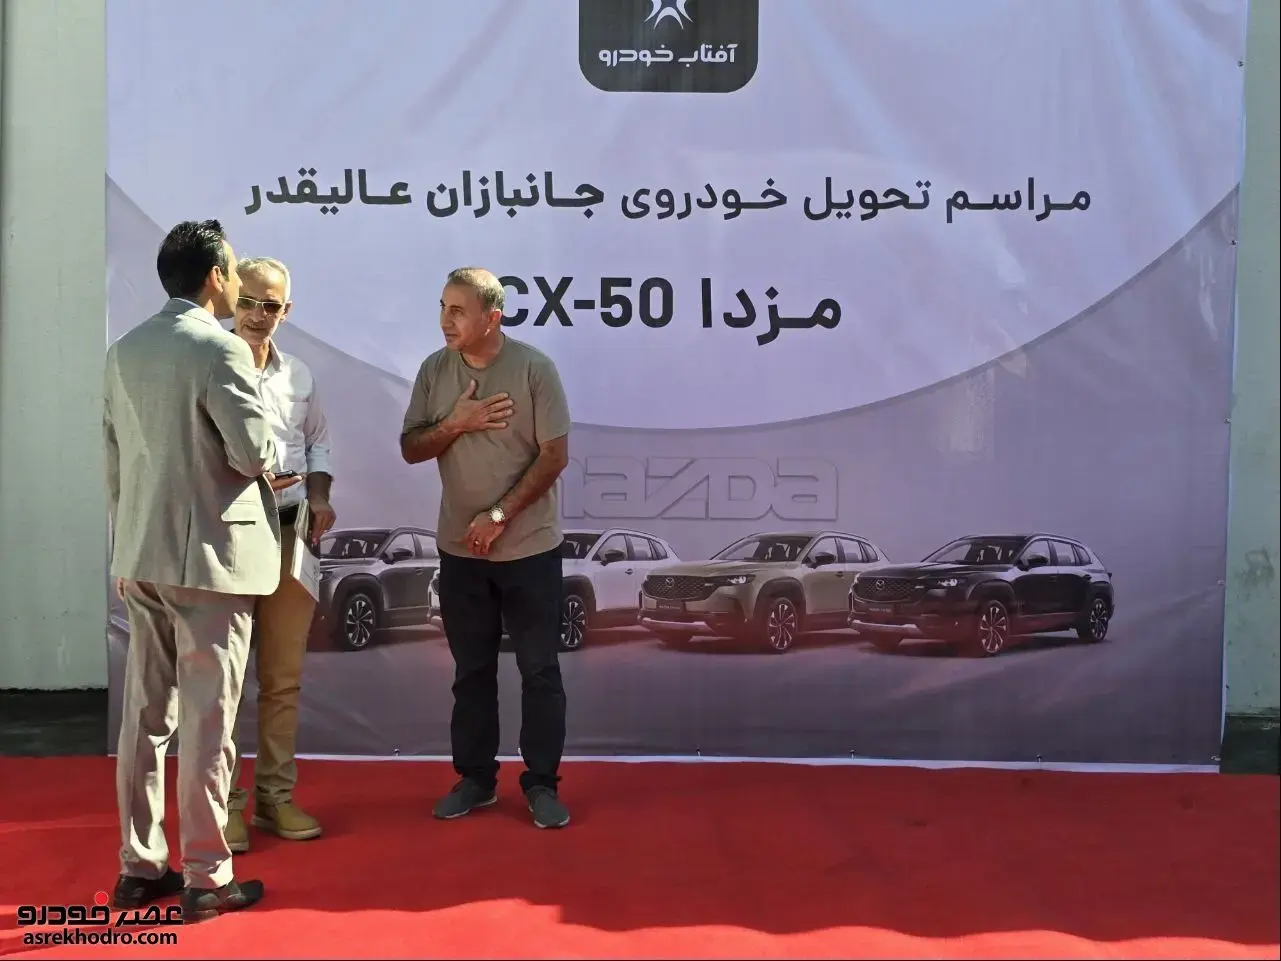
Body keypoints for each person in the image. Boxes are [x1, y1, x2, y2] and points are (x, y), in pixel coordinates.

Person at [104, 220, 298, 923]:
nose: (240, 283)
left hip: (141, 554)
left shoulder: (124, 349)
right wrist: (272, 451)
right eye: (235, 271)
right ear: (216, 276)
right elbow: (253, 453)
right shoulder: (220, 349)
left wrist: (123, 545)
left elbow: (114, 457)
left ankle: (138, 866)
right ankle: (207, 876)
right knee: (209, 722)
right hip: (209, 562)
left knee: (144, 718)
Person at [400, 267, 572, 829]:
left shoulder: (534, 370)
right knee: (471, 671)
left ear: (492, 318)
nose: (445, 321)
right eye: (442, 307)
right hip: (461, 552)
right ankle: (476, 779)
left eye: (458, 311)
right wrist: (456, 423)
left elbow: (554, 455)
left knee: (539, 671)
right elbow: (411, 447)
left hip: (530, 550)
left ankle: (542, 783)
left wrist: (499, 515)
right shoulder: (435, 369)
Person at [224, 256, 336, 853]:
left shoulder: (299, 374)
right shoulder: (208, 364)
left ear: (285, 311)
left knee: (282, 679)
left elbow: (318, 442)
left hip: (292, 535)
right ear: (229, 299)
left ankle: (274, 798)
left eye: (270, 305)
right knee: (225, 683)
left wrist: (319, 496)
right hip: (228, 536)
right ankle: (225, 806)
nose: (257, 314)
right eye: (248, 301)